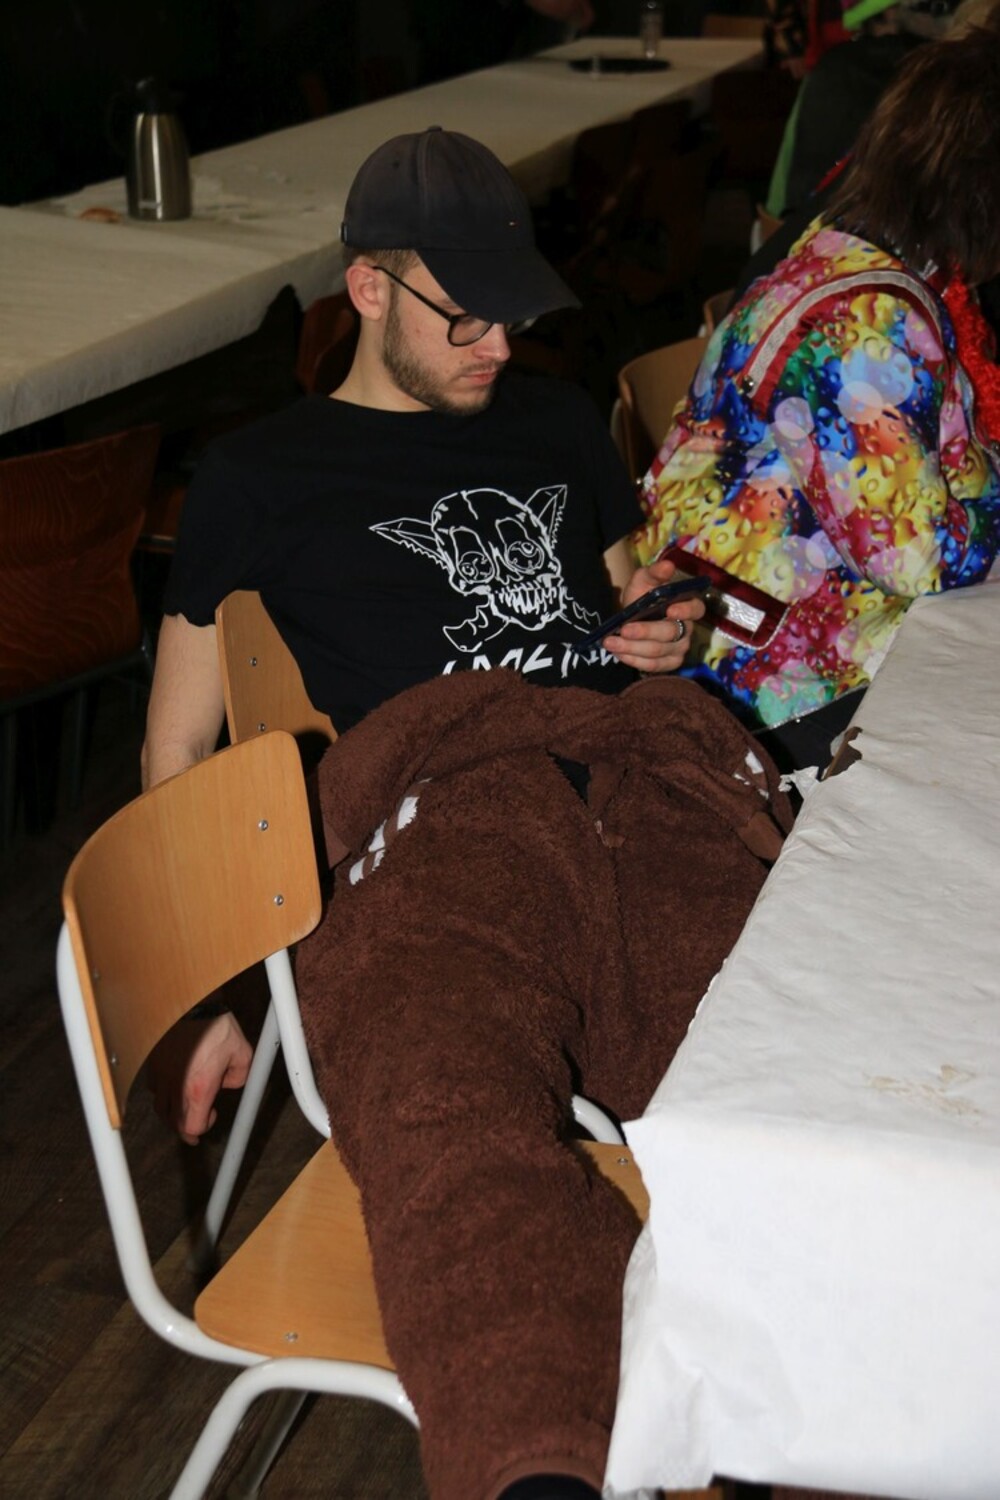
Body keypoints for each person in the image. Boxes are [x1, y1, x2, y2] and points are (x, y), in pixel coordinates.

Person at [143, 128, 789, 1500]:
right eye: (465, 317)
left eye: (516, 315)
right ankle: (539, 1461)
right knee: (443, 1105)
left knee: (781, 1093)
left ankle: (800, 1420)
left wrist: (654, 629)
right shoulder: (261, 476)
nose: (500, 345)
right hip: (446, 816)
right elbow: (179, 750)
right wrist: (212, 989)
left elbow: (622, 601)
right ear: (367, 289)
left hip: (640, 787)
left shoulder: (555, 424)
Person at [635, 16, 1000, 775]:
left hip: (759, 626)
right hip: (773, 688)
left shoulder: (840, 250)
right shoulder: (862, 325)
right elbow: (918, 561)